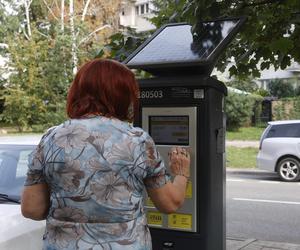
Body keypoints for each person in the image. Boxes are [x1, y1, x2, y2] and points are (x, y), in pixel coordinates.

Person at [21, 59, 190, 250]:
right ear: (123, 95)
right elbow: (169, 203)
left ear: (78, 91)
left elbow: (32, 209)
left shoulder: (51, 138)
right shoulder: (138, 140)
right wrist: (182, 173)